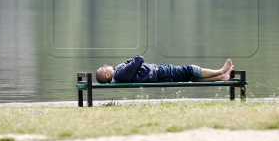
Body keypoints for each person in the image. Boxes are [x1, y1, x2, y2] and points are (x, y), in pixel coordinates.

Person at [96, 55, 233, 84]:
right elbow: (139, 59)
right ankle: (220, 71)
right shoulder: (120, 73)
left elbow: (134, 62)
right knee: (190, 70)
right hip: (161, 73)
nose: (105, 64)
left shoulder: (118, 73)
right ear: (108, 75)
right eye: (103, 68)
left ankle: (222, 78)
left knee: (191, 78)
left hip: (160, 73)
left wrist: (131, 62)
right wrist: (132, 60)